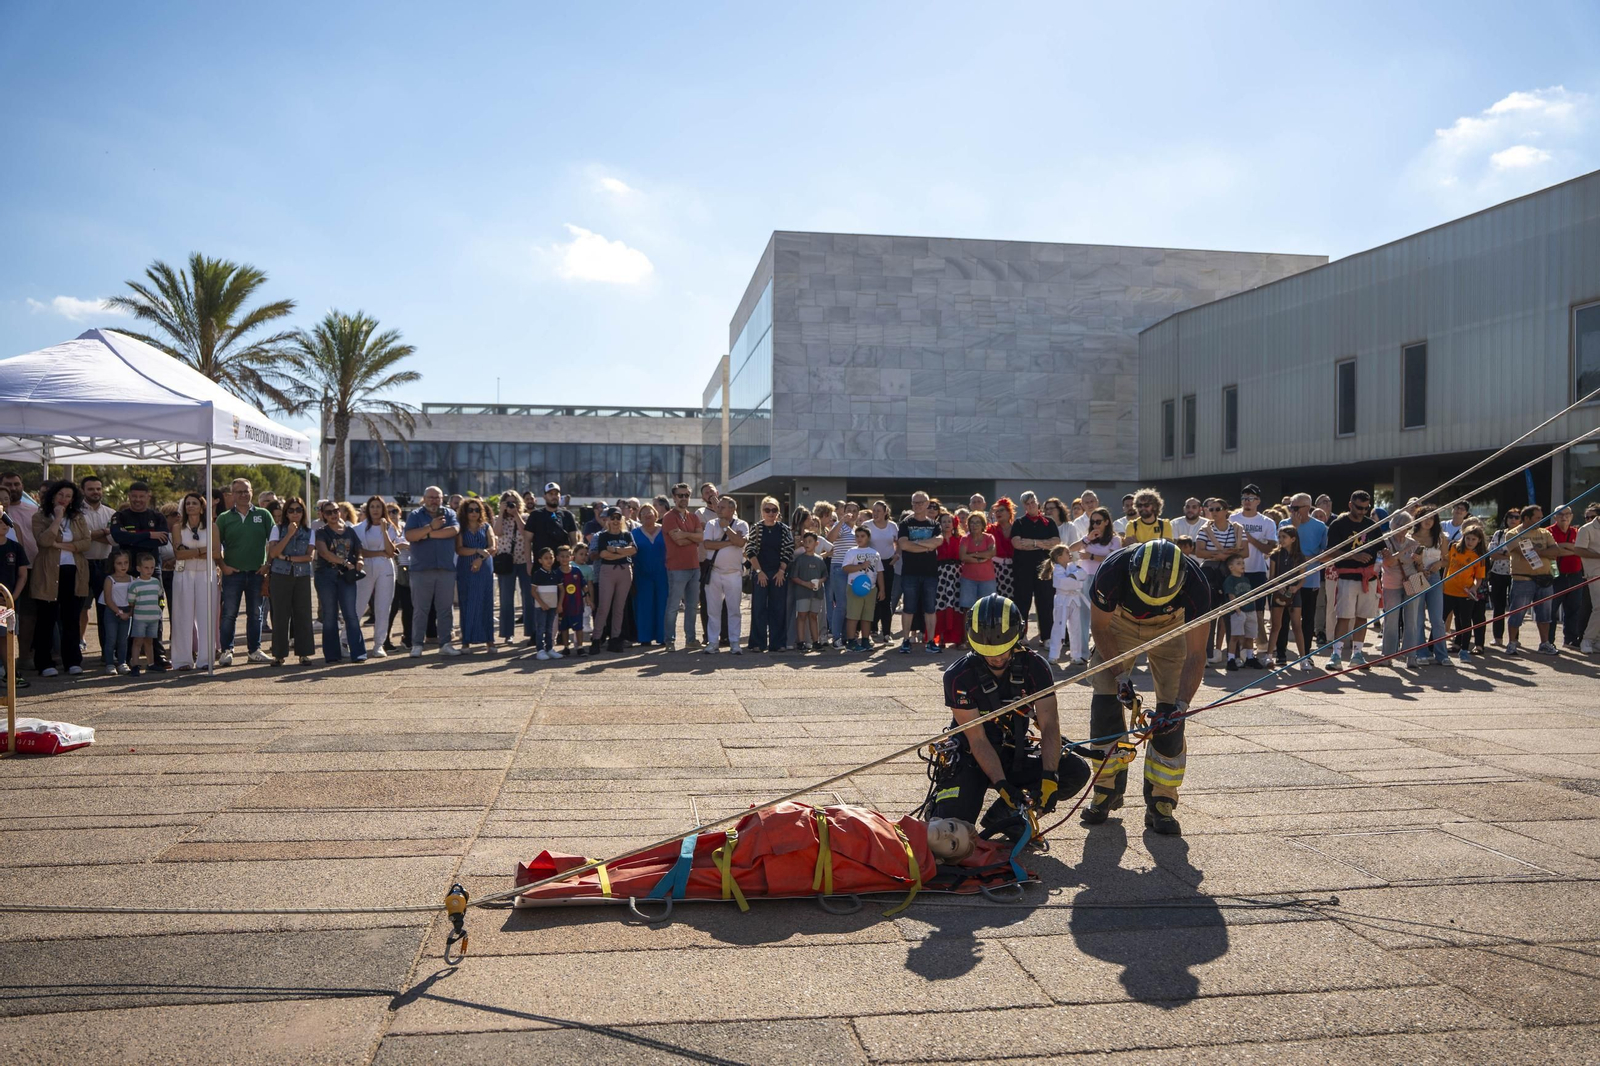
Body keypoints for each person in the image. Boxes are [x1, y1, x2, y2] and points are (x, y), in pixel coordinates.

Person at [929, 594, 1091, 836]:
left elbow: (1049, 725)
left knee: (1075, 771)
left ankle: (1007, 814)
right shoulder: (958, 677)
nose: (996, 657)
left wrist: (1049, 776)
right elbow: (977, 740)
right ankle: (951, 804)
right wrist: (1001, 784)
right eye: (988, 652)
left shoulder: (1035, 667)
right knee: (951, 830)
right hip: (972, 757)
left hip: (1014, 752)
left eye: (1003, 651)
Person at [1083, 540, 1211, 835]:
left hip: (1172, 625)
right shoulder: (1112, 571)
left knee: (1171, 718)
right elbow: (1100, 628)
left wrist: (1181, 705)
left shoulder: (1197, 585)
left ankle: (1161, 801)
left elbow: (1196, 654)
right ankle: (1107, 790)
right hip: (1119, 624)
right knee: (1104, 702)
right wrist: (1119, 677)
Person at [29, 479, 91, 677]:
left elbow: (85, 543)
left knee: (71, 618)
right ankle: (44, 662)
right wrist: (57, 519)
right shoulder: (40, 517)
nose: (64, 499)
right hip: (48, 573)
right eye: (60, 495)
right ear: (53, 496)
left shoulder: (78, 518)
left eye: (68, 496)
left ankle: (72, 661)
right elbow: (44, 541)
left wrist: (61, 545)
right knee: (46, 619)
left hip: (74, 571)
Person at [110, 481, 171, 671]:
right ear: (129, 496)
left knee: (157, 608)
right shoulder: (120, 516)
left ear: (148, 497)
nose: (137, 500)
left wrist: (138, 535)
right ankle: (127, 655)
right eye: (134, 496)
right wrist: (150, 535)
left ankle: (157, 654)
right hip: (127, 569)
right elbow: (119, 537)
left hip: (153, 569)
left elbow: (163, 539)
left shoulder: (157, 516)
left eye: (141, 496)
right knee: (130, 609)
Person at [214, 478, 273, 666]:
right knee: (229, 614)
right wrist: (223, 566)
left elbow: (273, 541)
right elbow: (216, 546)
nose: (243, 494)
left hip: (257, 573)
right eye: (238, 491)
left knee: (256, 614)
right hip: (233, 574)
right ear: (232, 494)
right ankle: (227, 651)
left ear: (252, 492)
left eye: (246, 491)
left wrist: (268, 563)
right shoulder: (224, 518)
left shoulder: (263, 515)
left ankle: (254, 650)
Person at [404, 486, 461, 658]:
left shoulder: (449, 514)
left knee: (445, 609)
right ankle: (417, 644)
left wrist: (427, 534)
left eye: (437, 497)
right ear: (424, 498)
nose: (434, 501)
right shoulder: (415, 515)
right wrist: (431, 527)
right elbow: (410, 536)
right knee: (421, 609)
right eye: (430, 497)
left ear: (442, 498)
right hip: (421, 569)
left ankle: (445, 643)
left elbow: (454, 531)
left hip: (445, 569)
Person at [1326, 490, 1380, 669]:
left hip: (1368, 578)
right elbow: (1330, 551)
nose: (1362, 511)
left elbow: (1382, 547)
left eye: (1366, 508)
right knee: (1344, 616)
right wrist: (1354, 556)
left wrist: (1388, 554)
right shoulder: (1338, 525)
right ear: (1350, 505)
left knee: (1362, 617)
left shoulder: (1372, 525)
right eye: (1359, 507)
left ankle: (1357, 654)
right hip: (1347, 576)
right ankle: (1336, 655)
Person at [311, 501, 366, 663]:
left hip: (346, 577)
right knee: (329, 615)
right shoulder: (321, 532)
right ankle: (332, 654)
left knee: (351, 614)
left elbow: (358, 549)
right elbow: (324, 553)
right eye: (329, 512)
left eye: (335, 510)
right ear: (323, 515)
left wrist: (360, 560)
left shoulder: (349, 531)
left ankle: (358, 653)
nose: (333, 514)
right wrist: (344, 563)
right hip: (326, 576)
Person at [1503, 503, 1562, 656]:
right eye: (1537, 518)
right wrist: (1545, 552)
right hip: (1523, 579)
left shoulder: (1545, 533)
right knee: (1517, 613)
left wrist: (1540, 551)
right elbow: (1522, 552)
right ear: (1527, 518)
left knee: (1545, 614)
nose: (1541, 520)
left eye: (1541, 517)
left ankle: (1544, 643)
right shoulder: (1513, 534)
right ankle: (1512, 643)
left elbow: (1556, 550)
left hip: (1545, 579)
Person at [1228, 485, 1278, 663]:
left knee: (1256, 614)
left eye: (1250, 498)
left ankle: (1260, 650)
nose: (1247, 502)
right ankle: (1239, 652)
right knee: (1238, 613)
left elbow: (1272, 548)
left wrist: (1250, 539)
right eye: (1244, 498)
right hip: (1237, 573)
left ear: (1258, 501)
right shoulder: (1233, 519)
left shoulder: (1266, 522)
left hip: (1256, 571)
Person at [169, 492, 217, 671]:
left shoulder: (212, 527)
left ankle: (206, 659)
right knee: (182, 616)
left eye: (194, 503)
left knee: (207, 616)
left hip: (206, 574)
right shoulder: (177, 528)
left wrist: (190, 551)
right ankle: (182, 660)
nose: (190, 506)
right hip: (183, 573)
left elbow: (217, 553)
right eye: (187, 503)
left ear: (202, 506)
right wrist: (201, 551)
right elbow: (178, 554)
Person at [267, 497, 316, 665]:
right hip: (280, 575)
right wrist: (288, 534)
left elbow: (309, 557)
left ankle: (304, 653)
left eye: (298, 510)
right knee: (280, 615)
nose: (295, 513)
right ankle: (279, 654)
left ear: (303, 512)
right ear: (286, 513)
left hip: (301, 575)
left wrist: (287, 557)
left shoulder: (310, 532)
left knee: (303, 614)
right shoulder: (277, 529)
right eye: (291, 510)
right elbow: (273, 553)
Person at [1008, 492, 1059, 649]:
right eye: (1027, 504)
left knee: (1045, 602)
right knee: (1022, 602)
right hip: (1023, 569)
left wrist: (1033, 542)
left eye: (1033, 502)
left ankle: (1047, 637)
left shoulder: (1049, 522)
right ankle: (1021, 635)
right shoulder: (1019, 523)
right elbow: (1017, 543)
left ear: (1038, 503)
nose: (1031, 506)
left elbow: (1055, 542)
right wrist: (1043, 543)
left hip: (1044, 569)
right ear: (1024, 506)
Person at [896, 491, 944, 654]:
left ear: (927, 503)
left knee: (930, 608)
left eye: (920, 502)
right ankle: (905, 640)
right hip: (910, 572)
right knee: (908, 607)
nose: (917, 505)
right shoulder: (905, 523)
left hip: (930, 572)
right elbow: (903, 545)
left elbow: (938, 541)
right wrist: (926, 545)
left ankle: (931, 641)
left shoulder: (934, 524)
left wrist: (915, 543)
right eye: (914, 503)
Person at [1280, 493, 1327, 659]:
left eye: (1295, 508)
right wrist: (1295, 527)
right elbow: (1281, 550)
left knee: (1308, 619)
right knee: (1284, 618)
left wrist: (1310, 558)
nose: (1292, 511)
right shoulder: (1284, 524)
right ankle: (1281, 654)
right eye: (1290, 507)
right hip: (1287, 579)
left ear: (1307, 508)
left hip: (1310, 580)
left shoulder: (1320, 527)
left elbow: (1326, 553)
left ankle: (1306, 654)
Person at [1405, 505, 1452, 668]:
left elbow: (1447, 560)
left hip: (1435, 577)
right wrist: (1419, 568)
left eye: (1432, 517)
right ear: (1418, 519)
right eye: (1425, 517)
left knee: (1437, 619)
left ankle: (1442, 654)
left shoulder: (1441, 537)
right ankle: (1421, 652)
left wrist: (1439, 563)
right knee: (1416, 618)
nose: (1428, 520)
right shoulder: (1410, 537)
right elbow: (1405, 560)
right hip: (1415, 577)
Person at [745, 496, 793, 653]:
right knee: (758, 607)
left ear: (778, 512)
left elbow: (789, 550)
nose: (771, 513)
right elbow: (750, 550)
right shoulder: (756, 528)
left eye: (774, 510)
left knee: (778, 608)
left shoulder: (784, 529)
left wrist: (781, 571)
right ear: (762, 512)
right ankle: (757, 643)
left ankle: (778, 643)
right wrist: (759, 572)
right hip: (761, 571)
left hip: (778, 572)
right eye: (767, 510)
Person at [661, 482, 704, 652]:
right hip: (677, 568)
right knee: (673, 607)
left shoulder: (693, 517)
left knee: (692, 606)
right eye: (680, 495)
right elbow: (677, 541)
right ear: (674, 497)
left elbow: (700, 538)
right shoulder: (669, 517)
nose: (684, 498)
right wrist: (692, 537)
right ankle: (669, 641)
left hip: (694, 567)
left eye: (686, 495)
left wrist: (686, 535)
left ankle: (690, 639)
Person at [77, 475, 115, 655]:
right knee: (81, 607)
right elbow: (80, 537)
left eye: (98, 489)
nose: (95, 492)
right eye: (91, 489)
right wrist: (104, 533)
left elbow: (114, 539)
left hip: (105, 564)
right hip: (82, 563)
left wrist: (92, 534)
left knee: (105, 609)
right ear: (83, 491)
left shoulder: (111, 513)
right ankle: (78, 643)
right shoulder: (76, 512)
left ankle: (107, 652)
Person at [453, 499, 496, 652]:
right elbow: (459, 549)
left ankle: (489, 640)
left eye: (477, 510)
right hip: (466, 567)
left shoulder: (486, 526)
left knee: (485, 601)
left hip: (484, 566)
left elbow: (492, 547)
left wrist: (480, 558)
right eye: (470, 510)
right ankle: (466, 641)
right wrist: (477, 550)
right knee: (467, 603)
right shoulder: (461, 528)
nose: (474, 513)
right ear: (465, 512)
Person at [592, 508, 637, 652]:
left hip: (625, 571)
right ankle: (596, 639)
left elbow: (634, 550)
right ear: (608, 520)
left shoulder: (627, 534)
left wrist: (616, 551)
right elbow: (603, 554)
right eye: (613, 518)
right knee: (604, 607)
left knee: (619, 607)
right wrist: (623, 552)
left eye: (618, 518)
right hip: (608, 571)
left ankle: (615, 639)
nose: (616, 521)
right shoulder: (603, 536)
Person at [492, 491, 532, 646]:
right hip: (506, 562)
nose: (510, 505)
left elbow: (526, 534)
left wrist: (516, 515)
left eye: (513, 502)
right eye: (507, 502)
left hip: (524, 560)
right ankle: (507, 633)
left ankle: (530, 631)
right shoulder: (498, 519)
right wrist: (502, 513)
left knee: (528, 598)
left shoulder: (526, 517)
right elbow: (497, 532)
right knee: (506, 599)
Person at [1444, 525, 1489, 662]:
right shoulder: (1454, 547)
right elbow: (1447, 566)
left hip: (1465, 593)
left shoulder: (1479, 556)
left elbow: (1479, 578)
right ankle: (1432, 647)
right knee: (1441, 619)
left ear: (1479, 540)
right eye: (1467, 538)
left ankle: (1464, 650)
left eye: (1473, 539)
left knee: (1465, 622)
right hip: (1449, 590)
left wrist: (1474, 588)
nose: (1469, 542)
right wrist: (1442, 583)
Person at [1549, 506, 1592, 649]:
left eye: (1567, 514)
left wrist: (1563, 546)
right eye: (1560, 514)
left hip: (1575, 575)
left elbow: (1582, 550)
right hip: (1555, 575)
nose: (1564, 517)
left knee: (1574, 609)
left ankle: (1570, 639)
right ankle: (1549, 641)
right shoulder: (1548, 532)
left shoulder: (1578, 532)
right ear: (1555, 517)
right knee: (1552, 610)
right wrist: (1572, 548)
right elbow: (1553, 551)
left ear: (1572, 516)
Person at [0, 495, 30, 686]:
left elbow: (22, 575)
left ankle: (10, 673)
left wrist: (13, 597)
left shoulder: (15, 547)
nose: (4, 525)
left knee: (6, 637)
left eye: (5, 521)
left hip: (8, 602)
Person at [1266, 526, 1305, 669]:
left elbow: (1302, 578)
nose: (1281, 540)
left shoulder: (1300, 556)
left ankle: (1303, 658)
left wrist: (1296, 587)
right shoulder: (1275, 555)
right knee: (1276, 625)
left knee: (1296, 625)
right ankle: (1269, 656)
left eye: (1284, 537)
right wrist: (1278, 585)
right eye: (1279, 536)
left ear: (1293, 539)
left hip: (1294, 594)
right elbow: (1272, 577)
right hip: (1278, 593)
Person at [841, 524, 883, 652]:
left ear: (868, 537)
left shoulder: (874, 553)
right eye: (857, 536)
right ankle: (851, 641)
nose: (859, 538)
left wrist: (882, 589)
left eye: (862, 536)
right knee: (853, 615)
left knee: (867, 616)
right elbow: (846, 568)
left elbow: (879, 571)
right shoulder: (852, 552)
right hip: (854, 587)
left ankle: (865, 639)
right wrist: (861, 566)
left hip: (870, 588)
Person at [1044, 544, 1085, 665]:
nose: (1070, 554)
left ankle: (1076, 655)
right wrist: (1079, 584)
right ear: (1059, 557)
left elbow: (1083, 574)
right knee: (1059, 627)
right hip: (1062, 601)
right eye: (1067, 553)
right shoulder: (1057, 570)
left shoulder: (1072, 567)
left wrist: (1074, 576)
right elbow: (1064, 583)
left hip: (1074, 600)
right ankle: (1053, 655)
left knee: (1075, 628)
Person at [126, 552, 165, 675]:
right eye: (146, 567)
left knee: (149, 641)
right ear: (139, 568)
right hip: (140, 618)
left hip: (153, 617)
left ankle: (151, 663)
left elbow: (160, 597)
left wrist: (160, 609)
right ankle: (135, 665)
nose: (149, 570)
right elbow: (131, 601)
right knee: (137, 641)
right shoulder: (134, 584)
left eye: (152, 567)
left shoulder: (156, 582)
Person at [824, 501, 857, 647]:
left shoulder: (857, 529)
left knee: (850, 605)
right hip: (839, 567)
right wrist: (841, 521)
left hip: (854, 570)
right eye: (848, 510)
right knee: (841, 604)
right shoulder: (841, 526)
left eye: (855, 510)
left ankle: (846, 636)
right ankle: (836, 637)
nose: (852, 513)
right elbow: (829, 539)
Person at [864, 500, 898, 641]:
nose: (875, 513)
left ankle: (886, 633)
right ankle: (872, 629)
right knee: (871, 597)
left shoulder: (892, 526)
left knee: (886, 598)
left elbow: (898, 542)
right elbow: (860, 542)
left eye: (879, 510)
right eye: (874, 510)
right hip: (871, 564)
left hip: (887, 563)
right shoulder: (867, 525)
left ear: (885, 512)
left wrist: (897, 555)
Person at [790, 531, 828, 652]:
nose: (807, 544)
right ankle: (801, 641)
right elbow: (794, 577)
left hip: (816, 593)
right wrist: (805, 584)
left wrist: (820, 581)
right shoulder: (800, 559)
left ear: (816, 543)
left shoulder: (820, 559)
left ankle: (815, 641)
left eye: (810, 541)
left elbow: (825, 575)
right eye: (805, 542)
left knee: (813, 616)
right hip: (802, 593)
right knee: (801, 615)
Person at [933, 510, 966, 650]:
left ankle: (958, 638)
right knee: (940, 605)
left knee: (957, 606)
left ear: (954, 524)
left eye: (949, 521)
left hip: (957, 576)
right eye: (944, 521)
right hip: (940, 577)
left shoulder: (961, 540)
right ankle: (940, 637)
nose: (947, 524)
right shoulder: (936, 540)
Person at [1486, 508, 1518, 646]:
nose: (1513, 519)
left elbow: (1522, 553)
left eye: (1517, 517)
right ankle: (1497, 637)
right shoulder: (1498, 534)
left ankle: (1514, 638)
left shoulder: (1522, 534)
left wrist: (1503, 554)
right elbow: (1491, 554)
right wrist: (1509, 554)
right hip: (1497, 573)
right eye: (1510, 516)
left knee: (1515, 607)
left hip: (1516, 573)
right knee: (1498, 607)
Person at [1219, 553, 1257, 670]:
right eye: (1238, 563)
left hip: (1250, 610)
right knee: (1235, 636)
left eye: (1243, 563)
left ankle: (1250, 657)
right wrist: (1238, 610)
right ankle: (1231, 659)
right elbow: (1231, 596)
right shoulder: (1230, 580)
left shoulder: (1246, 579)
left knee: (1250, 636)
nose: (1242, 565)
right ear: (1231, 567)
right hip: (1238, 612)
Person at [98, 549, 130, 675]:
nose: (123, 566)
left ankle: (122, 662)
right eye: (119, 563)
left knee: (123, 639)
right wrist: (119, 612)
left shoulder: (132, 579)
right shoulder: (110, 579)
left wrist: (129, 613)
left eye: (126, 563)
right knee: (111, 638)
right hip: (112, 612)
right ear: (113, 564)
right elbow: (108, 599)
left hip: (127, 613)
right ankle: (110, 664)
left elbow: (133, 599)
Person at [958, 511, 997, 610]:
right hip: (968, 579)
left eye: (977, 522)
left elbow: (992, 553)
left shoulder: (989, 537)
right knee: (968, 608)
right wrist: (980, 559)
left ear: (983, 524)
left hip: (987, 579)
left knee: (988, 608)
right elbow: (963, 557)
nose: (975, 525)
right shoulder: (965, 539)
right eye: (972, 522)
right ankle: (968, 626)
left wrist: (973, 555)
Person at [529, 546, 563, 660]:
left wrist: (559, 604)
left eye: (551, 557)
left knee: (549, 628)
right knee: (541, 628)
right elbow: (533, 591)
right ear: (540, 560)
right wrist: (542, 603)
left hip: (553, 606)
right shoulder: (538, 574)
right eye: (546, 558)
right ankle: (540, 650)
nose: (549, 560)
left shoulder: (556, 574)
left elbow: (562, 590)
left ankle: (549, 648)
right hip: (541, 607)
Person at [553, 544, 587, 655]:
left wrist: (588, 598)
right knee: (564, 627)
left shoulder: (576, 571)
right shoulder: (557, 573)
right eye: (562, 556)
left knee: (578, 627)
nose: (564, 559)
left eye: (567, 556)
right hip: (563, 605)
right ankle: (566, 647)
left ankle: (580, 647)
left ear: (571, 557)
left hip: (576, 604)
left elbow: (584, 585)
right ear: (557, 558)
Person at [1579, 504, 1600, 654]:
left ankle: (1597, 640)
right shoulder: (1586, 529)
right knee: (1599, 607)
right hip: (1594, 572)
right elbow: (1578, 549)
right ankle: (1587, 639)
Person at [987, 497, 1016, 604]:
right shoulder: (990, 529)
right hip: (994, 569)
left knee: (1011, 602)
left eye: (1001, 510)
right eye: (996, 511)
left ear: (1009, 512)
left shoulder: (1017, 528)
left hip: (1013, 569)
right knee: (994, 600)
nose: (998, 513)